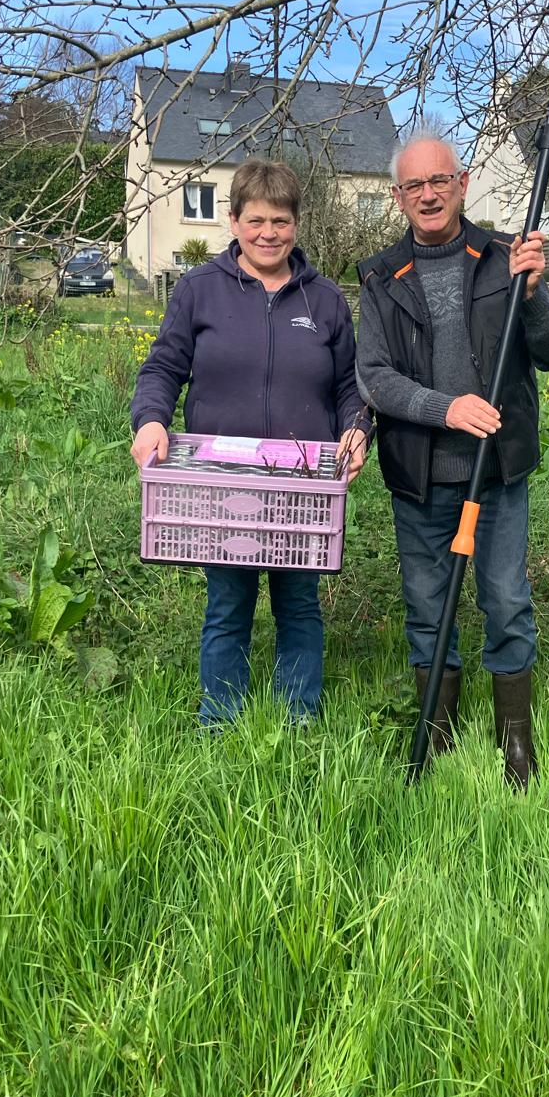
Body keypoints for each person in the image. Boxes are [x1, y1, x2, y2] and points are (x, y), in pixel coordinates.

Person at [356, 134, 549, 789]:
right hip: (420, 474)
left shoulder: (507, 258)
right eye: (414, 185)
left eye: (440, 180)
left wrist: (533, 294)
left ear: (464, 182)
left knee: (505, 599)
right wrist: (444, 408)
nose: (428, 194)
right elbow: (374, 378)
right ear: (398, 197)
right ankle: (437, 731)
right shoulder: (378, 277)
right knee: (428, 607)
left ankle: (516, 740)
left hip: (498, 472)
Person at [130, 159, 370, 726]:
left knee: (299, 605)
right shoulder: (198, 291)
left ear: (296, 224)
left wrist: (358, 429)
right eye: (256, 220)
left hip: (301, 484)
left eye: (281, 221)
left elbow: (349, 387)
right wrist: (151, 419)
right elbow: (163, 368)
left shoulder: (326, 300)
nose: (269, 233)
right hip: (222, 482)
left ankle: (298, 719)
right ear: (233, 220)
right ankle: (221, 720)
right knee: (228, 604)